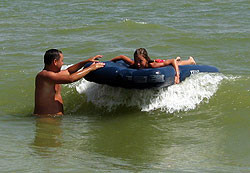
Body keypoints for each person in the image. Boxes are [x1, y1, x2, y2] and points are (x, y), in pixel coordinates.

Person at [34, 49, 105, 116]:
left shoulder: (54, 75)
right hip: (45, 118)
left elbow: (69, 71)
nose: (63, 63)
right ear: (55, 62)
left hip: (54, 118)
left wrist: (86, 61)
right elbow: (71, 79)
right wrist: (90, 68)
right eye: (62, 61)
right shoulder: (44, 75)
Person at [110, 48, 196, 84]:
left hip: (160, 63)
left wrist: (177, 75)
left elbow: (172, 61)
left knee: (175, 63)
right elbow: (121, 57)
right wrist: (110, 62)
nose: (138, 64)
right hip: (155, 61)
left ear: (146, 59)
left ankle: (190, 61)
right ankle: (178, 58)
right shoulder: (134, 64)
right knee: (173, 61)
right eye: (136, 61)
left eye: (141, 61)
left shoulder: (152, 65)